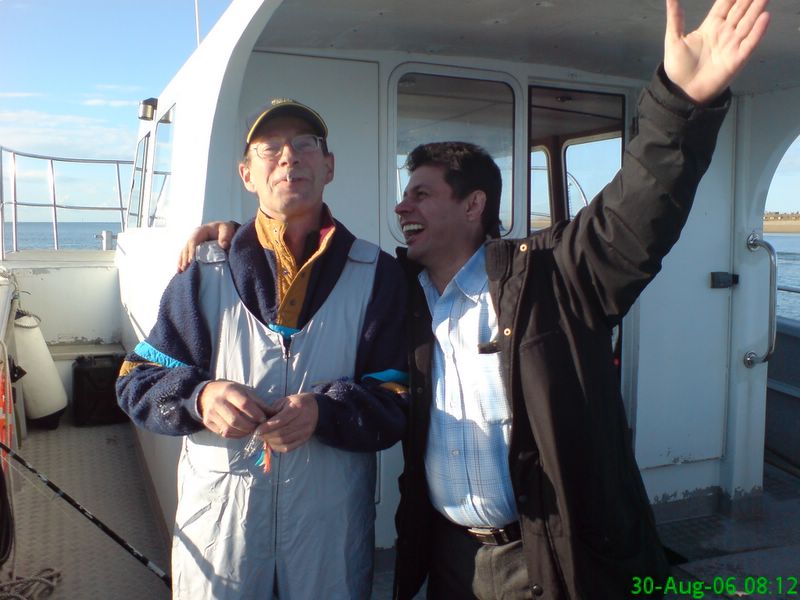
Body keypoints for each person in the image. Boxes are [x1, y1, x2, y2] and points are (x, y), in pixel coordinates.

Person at [180, 1, 770, 597]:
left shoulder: (552, 277)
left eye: (421, 194)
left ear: (473, 206)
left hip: (547, 553)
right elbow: (311, 262)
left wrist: (680, 105)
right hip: (451, 558)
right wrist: (234, 238)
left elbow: (633, 217)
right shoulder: (397, 291)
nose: (401, 207)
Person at [117, 98, 409, 599]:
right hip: (221, 537)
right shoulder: (203, 272)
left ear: (329, 166)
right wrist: (201, 398)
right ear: (247, 174)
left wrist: (325, 411)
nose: (289, 157)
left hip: (329, 539)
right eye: (269, 148)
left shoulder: (378, 273)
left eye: (305, 145)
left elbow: (398, 397)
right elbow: (137, 380)